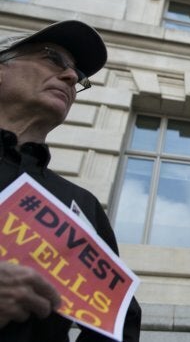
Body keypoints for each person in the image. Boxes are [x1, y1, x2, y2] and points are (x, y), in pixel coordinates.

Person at [0, 20, 141, 341]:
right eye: (52, 59)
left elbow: (119, 322)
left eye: (77, 76)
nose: (70, 76)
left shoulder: (81, 205)